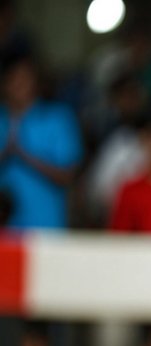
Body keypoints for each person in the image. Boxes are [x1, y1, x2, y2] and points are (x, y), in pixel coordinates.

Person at [0, 54, 81, 229]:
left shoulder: (58, 118)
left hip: (46, 227)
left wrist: (24, 155)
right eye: (13, 79)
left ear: (35, 82)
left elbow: (68, 176)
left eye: (24, 79)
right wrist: (5, 154)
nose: (18, 85)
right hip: (5, 231)